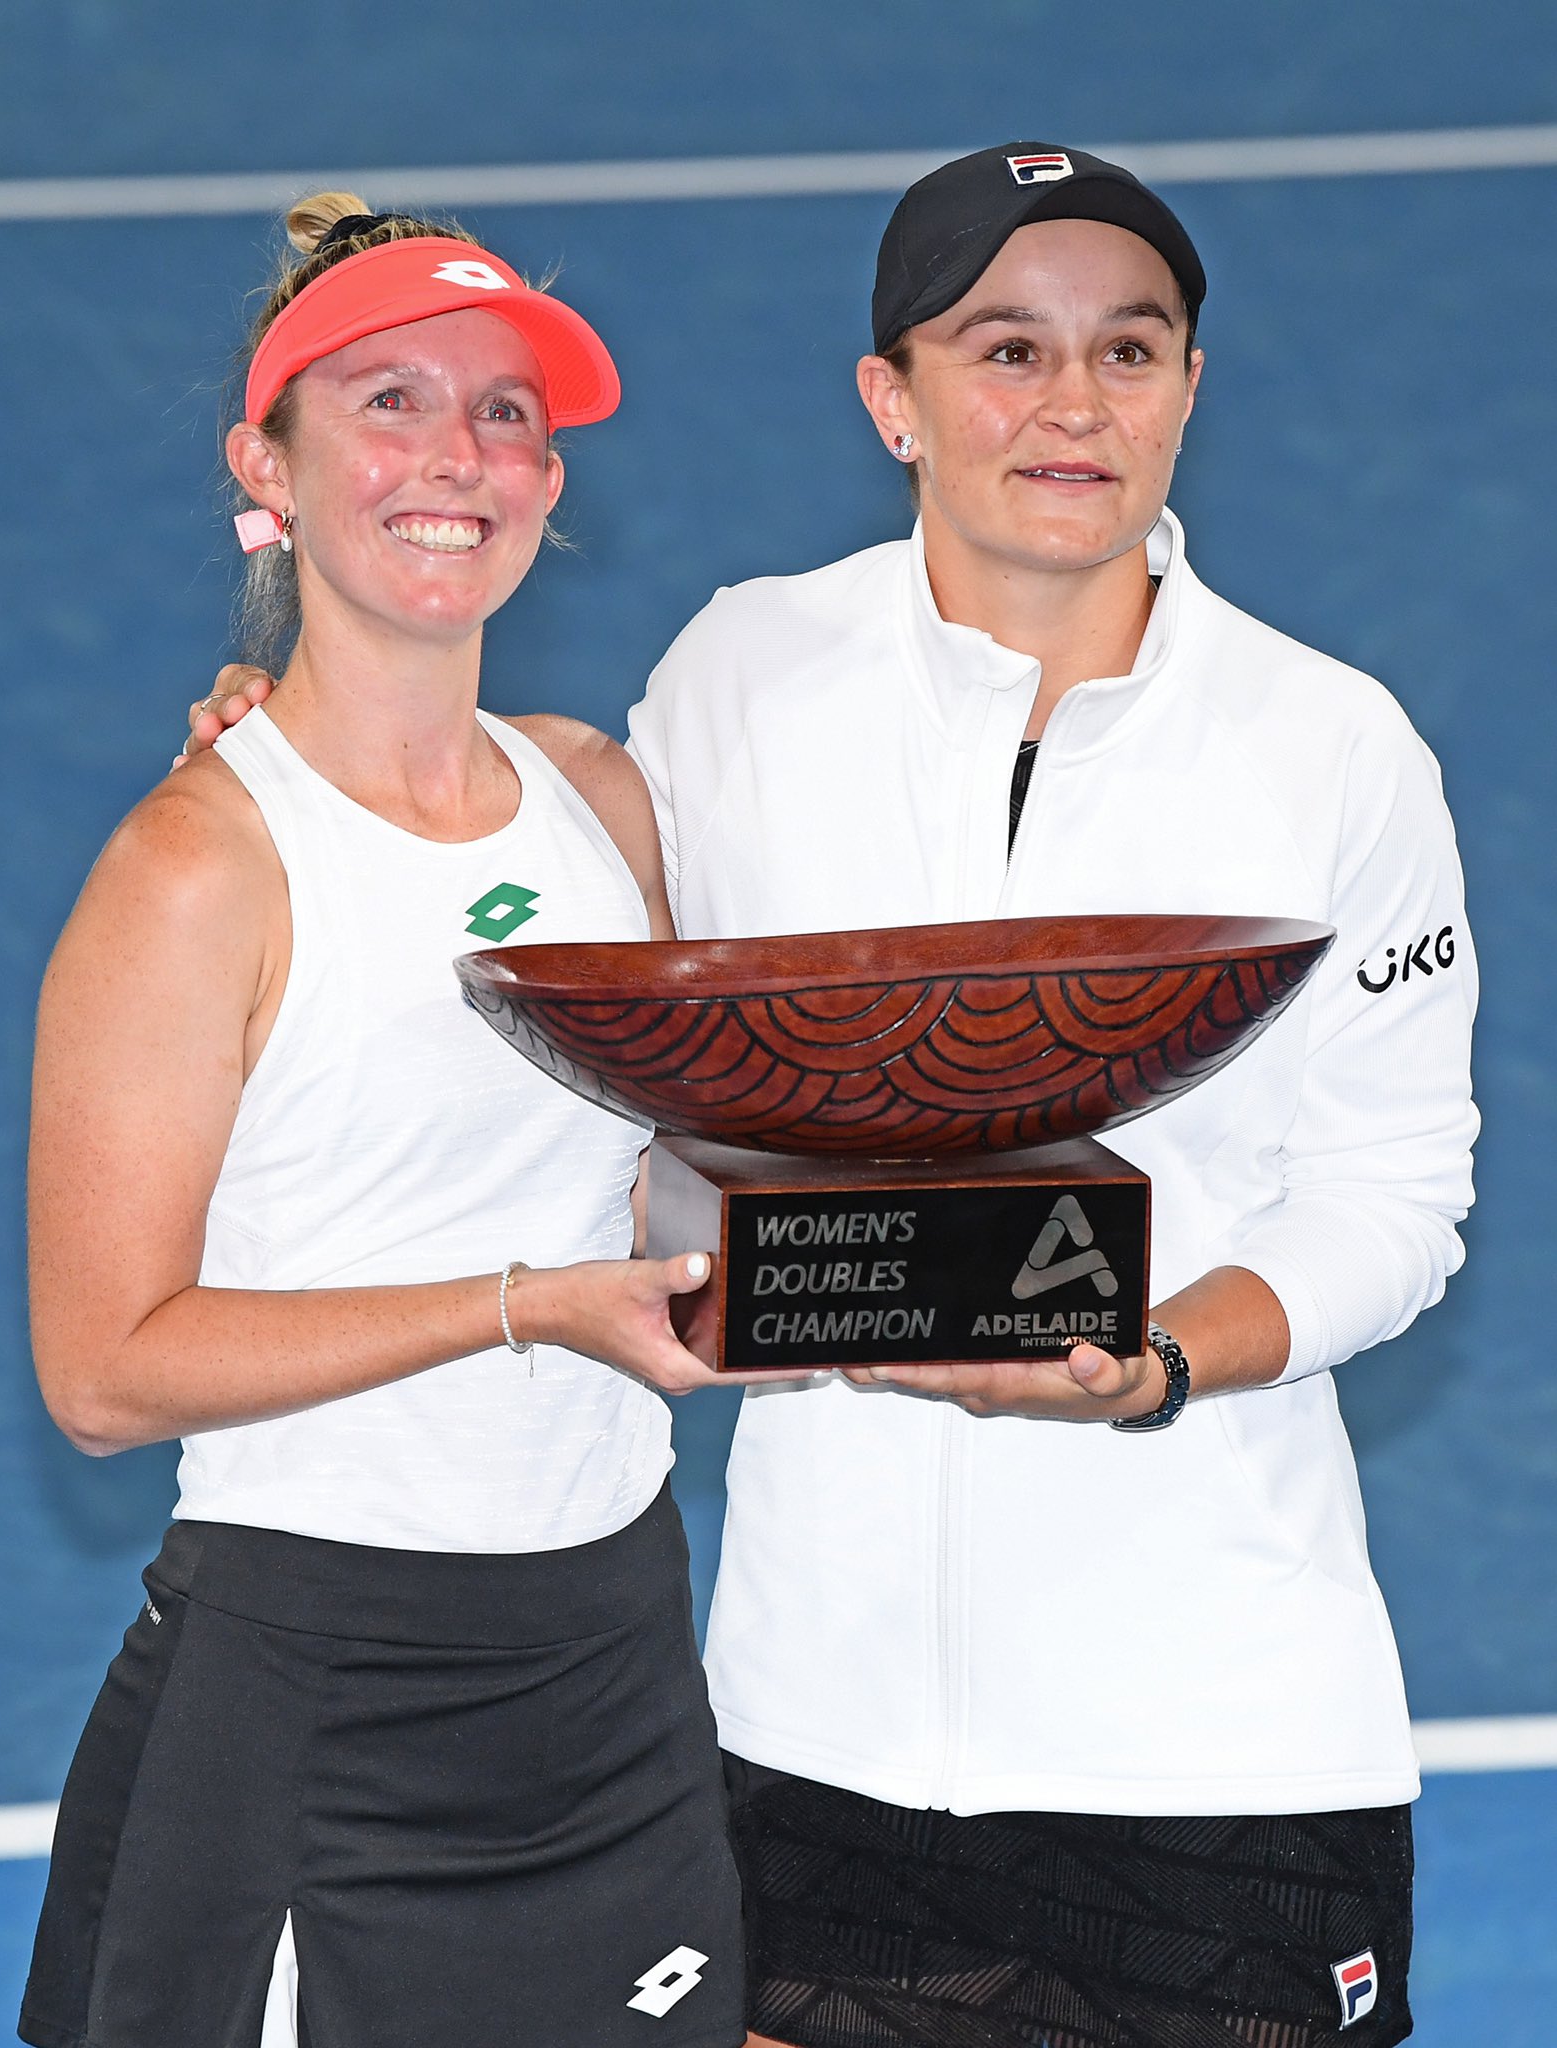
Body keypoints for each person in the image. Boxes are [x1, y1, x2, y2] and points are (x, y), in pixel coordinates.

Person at [191, 146, 1477, 2048]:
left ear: (1190, 387)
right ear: (893, 401)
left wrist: (1160, 1357)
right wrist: (298, 748)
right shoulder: (741, 674)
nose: (1070, 404)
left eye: (1130, 351)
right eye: (1001, 349)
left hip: (1223, 1743)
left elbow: (1392, 1194)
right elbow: (580, 936)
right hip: (811, 1729)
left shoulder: (1335, 746)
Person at [22, 194, 793, 2048]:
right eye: (390, 402)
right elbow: (105, 1376)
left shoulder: (601, 801)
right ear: (265, 468)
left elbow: (670, 1177)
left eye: (506, 414)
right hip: (316, 1701)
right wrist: (521, 1307)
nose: (459, 458)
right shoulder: (195, 869)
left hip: (611, 1658)